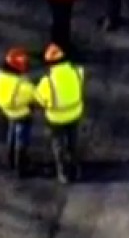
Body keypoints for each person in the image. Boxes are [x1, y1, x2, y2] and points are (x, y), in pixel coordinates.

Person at [33, 43, 85, 183]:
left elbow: (39, 99)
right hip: (75, 114)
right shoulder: (77, 72)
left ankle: (64, 173)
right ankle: (75, 167)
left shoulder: (47, 82)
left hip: (56, 118)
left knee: (58, 145)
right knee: (72, 142)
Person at [0, 47, 37, 175]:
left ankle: (10, 158)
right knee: (21, 139)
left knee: (11, 134)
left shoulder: (0, 77)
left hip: (8, 111)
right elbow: (34, 95)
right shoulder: (21, 85)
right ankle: (21, 166)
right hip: (22, 113)